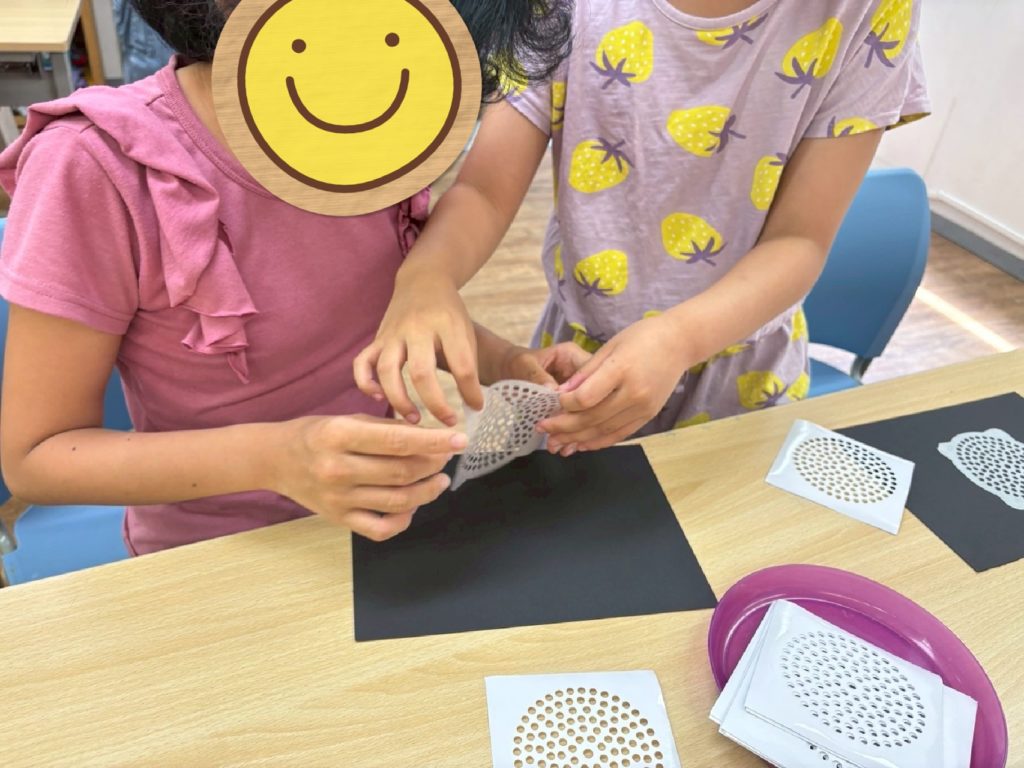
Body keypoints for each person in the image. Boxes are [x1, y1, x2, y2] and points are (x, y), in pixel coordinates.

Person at [0, 0, 578, 554]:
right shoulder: (99, 164)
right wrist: (278, 457)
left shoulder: (377, 139)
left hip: (376, 528)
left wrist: (498, 359)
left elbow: (362, 304)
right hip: (212, 553)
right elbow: (37, 457)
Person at [355, 0, 930, 455]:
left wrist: (680, 339)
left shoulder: (866, 10)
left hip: (743, 373)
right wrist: (428, 277)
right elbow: (483, 190)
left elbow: (800, 238)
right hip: (577, 358)